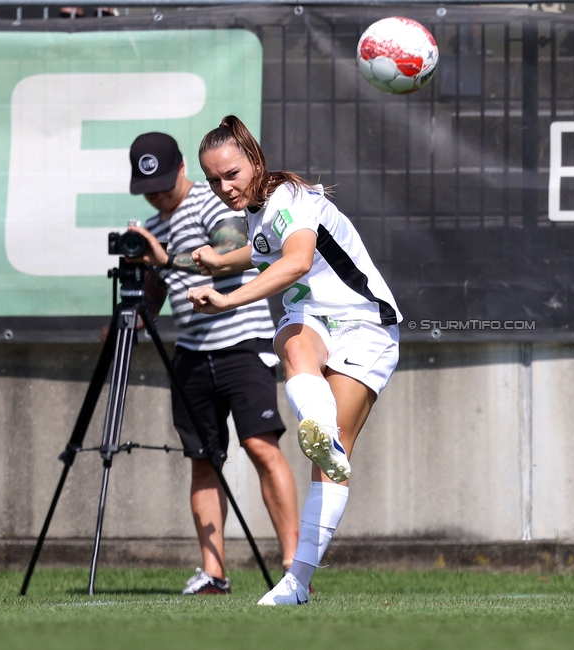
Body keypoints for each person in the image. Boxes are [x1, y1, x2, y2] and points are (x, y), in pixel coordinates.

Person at [186, 115, 402, 605]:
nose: (225, 187)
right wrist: (224, 260)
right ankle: (318, 426)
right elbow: (265, 249)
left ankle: (298, 577)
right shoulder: (260, 214)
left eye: (232, 174)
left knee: (332, 462)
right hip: (313, 318)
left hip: (365, 324)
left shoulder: (292, 197)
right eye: (215, 179)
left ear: (254, 161)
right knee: (294, 337)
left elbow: (297, 259)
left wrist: (227, 296)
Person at [121, 132, 299, 595]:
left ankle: (295, 568)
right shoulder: (151, 226)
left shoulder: (210, 200)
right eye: (148, 188)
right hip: (192, 354)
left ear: (182, 169)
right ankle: (213, 574)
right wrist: (137, 314)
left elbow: (230, 259)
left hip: (243, 341)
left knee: (261, 447)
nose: (158, 194)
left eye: (163, 181)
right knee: (203, 460)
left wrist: (167, 259)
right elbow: (160, 292)